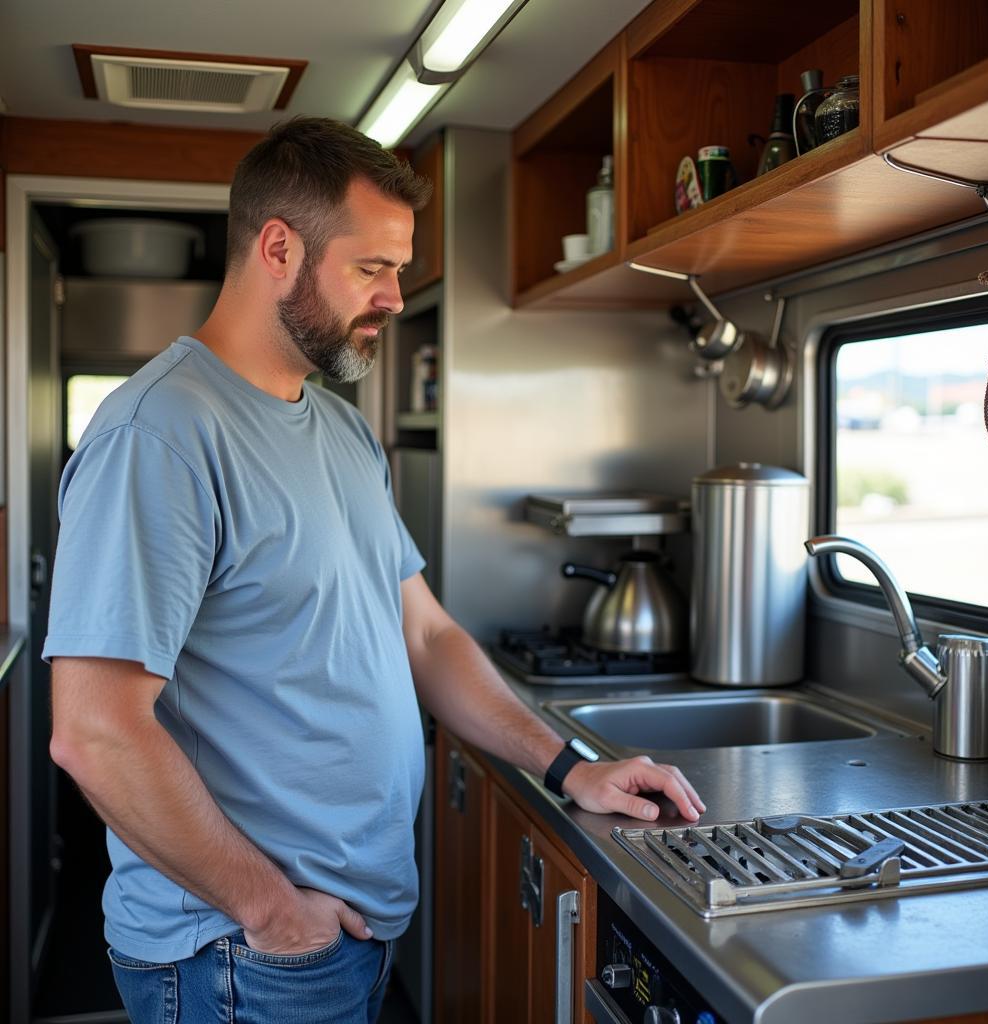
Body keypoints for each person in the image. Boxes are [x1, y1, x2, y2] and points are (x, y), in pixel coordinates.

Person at [45, 116, 704, 1024]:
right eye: (373, 267)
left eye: (399, 268)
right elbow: (96, 731)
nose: (396, 296)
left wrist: (568, 768)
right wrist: (273, 913)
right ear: (278, 248)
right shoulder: (161, 433)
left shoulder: (340, 429)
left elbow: (424, 632)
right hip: (241, 951)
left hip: (334, 934)